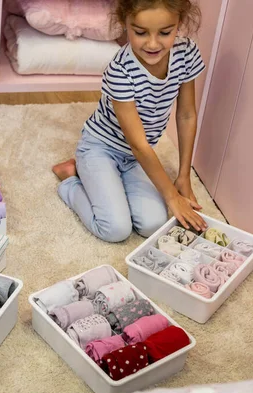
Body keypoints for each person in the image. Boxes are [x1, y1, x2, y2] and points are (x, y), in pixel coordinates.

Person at [53, 0, 208, 242]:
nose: (153, 43)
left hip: (138, 158)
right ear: (125, 23)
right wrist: (172, 196)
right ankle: (70, 179)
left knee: (153, 225)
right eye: (140, 32)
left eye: (165, 32)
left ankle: (109, 182)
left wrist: (183, 176)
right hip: (101, 149)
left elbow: (186, 114)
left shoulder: (186, 53)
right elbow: (138, 144)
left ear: (179, 24)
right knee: (115, 229)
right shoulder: (120, 71)